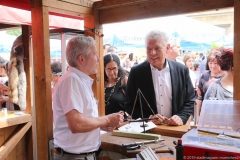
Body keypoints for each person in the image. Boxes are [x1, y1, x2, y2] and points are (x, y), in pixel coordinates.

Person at [52, 36, 124, 160]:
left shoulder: (78, 80)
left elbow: (82, 120)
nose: (98, 59)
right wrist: (106, 120)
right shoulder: (72, 80)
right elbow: (76, 124)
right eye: (95, 54)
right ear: (81, 59)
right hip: (74, 156)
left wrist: (98, 125)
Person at [125, 30, 195, 126]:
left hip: (175, 129)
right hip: (148, 130)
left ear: (167, 48)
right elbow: (129, 104)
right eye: (149, 49)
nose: (152, 53)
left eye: (157, 48)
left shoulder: (181, 70)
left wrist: (181, 117)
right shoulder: (136, 72)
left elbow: (190, 100)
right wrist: (148, 118)